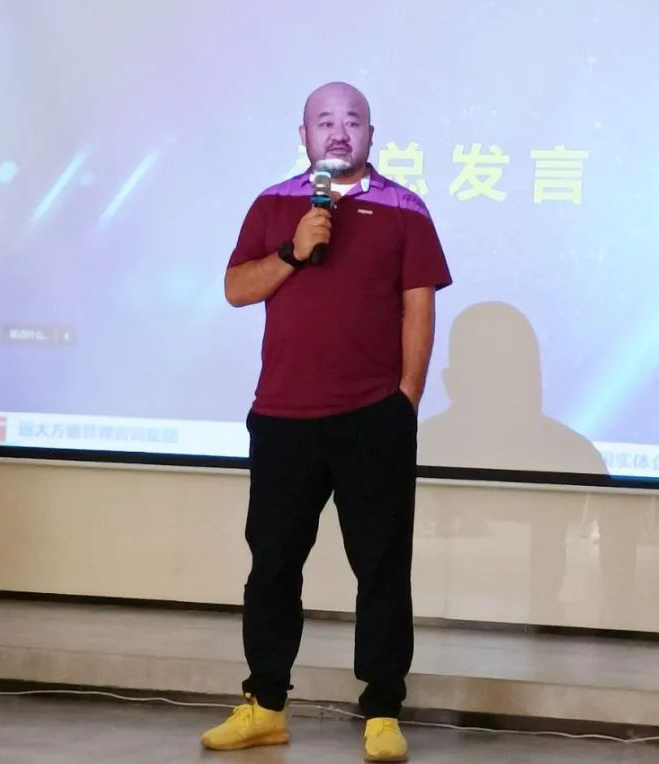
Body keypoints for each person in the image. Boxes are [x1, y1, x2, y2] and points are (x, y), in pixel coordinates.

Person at [201, 82, 451, 762]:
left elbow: (419, 307)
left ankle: (382, 711)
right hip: (283, 417)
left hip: (373, 418)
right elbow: (235, 289)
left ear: (372, 133)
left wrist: (404, 399)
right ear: (303, 135)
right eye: (325, 121)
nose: (339, 132)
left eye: (352, 121)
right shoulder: (274, 204)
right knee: (273, 565)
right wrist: (292, 250)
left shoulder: (405, 208)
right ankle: (266, 705)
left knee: (382, 566)